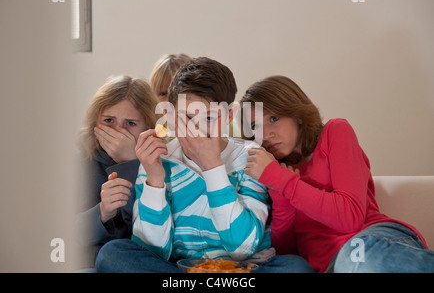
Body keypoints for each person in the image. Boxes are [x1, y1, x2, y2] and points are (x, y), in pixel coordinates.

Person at [95, 58, 313, 273]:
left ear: (229, 116)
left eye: (208, 118)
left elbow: (242, 248)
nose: (195, 130)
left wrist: (213, 168)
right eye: (186, 118)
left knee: (295, 267)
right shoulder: (158, 162)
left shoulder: (252, 157)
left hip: (244, 269)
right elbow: (153, 252)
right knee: (112, 254)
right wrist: (154, 181)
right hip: (180, 268)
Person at [240, 75, 434, 273]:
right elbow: (287, 251)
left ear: (297, 114)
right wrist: (279, 193)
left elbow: (350, 217)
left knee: (355, 258)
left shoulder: (335, 131)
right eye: (255, 126)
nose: (265, 134)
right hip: (331, 267)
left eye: (274, 118)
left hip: (371, 241)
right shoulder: (271, 172)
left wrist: (283, 181)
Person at [75, 75, 159, 268]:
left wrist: (130, 164)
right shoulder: (78, 163)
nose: (118, 132)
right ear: (95, 122)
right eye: (109, 120)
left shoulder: (159, 166)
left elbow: (150, 238)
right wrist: (102, 212)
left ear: (149, 128)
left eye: (130, 123)